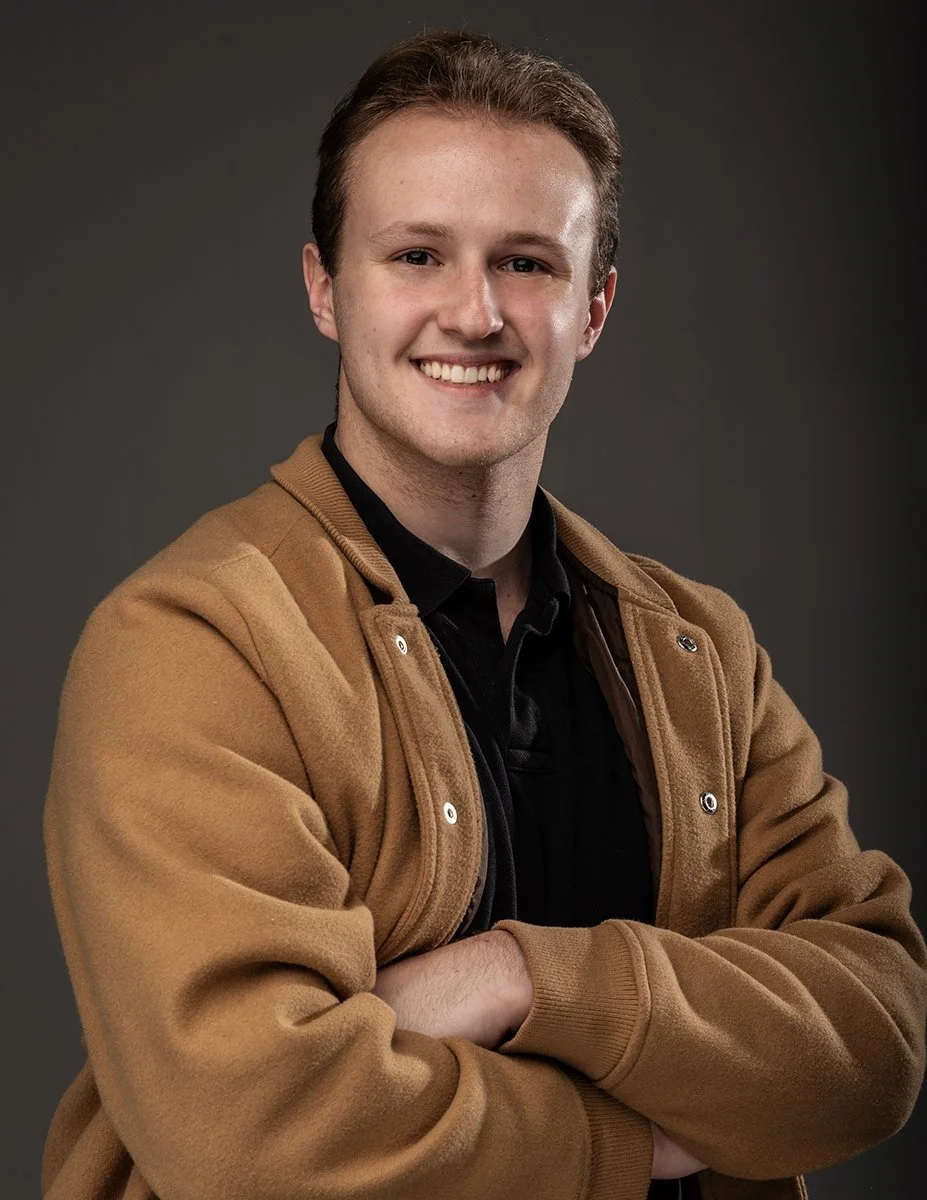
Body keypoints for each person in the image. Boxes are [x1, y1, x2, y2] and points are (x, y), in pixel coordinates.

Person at [42, 29, 925, 1200]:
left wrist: (525, 977)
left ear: (595, 307)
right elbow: (251, 1132)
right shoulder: (194, 643)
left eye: (526, 263)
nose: (473, 313)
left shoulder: (700, 650)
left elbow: (874, 1041)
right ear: (324, 288)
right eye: (415, 254)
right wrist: (640, 1141)